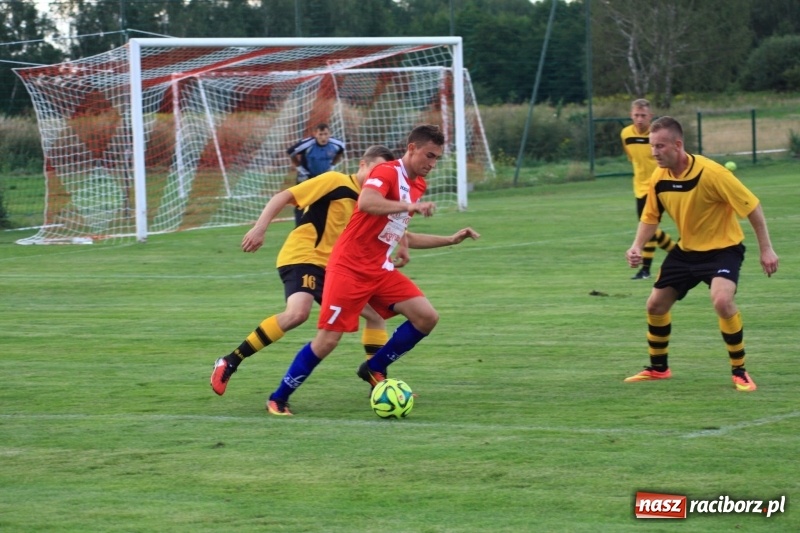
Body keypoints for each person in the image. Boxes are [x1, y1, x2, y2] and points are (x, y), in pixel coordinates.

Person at [265, 124, 480, 416]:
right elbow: (366, 202)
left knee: (426, 317)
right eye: (428, 155)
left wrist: (450, 239)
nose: (431, 163)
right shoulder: (387, 172)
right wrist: (408, 207)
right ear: (412, 148)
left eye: (437, 158)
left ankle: (374, 367)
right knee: (328, 340)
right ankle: (279, 397)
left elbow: (401, 231)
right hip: (349, 267)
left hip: (379, 269)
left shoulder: (418, 184)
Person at [210, 145, 397, 396]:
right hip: (304, 256)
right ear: (362, 165)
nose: (378, 177)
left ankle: (377, 378)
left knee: (375, 315)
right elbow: (283, 196)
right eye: (375, 170)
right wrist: (260, 228)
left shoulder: (371, 202)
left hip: (337, 269)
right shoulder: (335, 181)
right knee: (298, 313)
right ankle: (230, 361)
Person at [624, 116, 779, 392]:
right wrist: (637, 245)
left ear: (678, 144)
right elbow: (650, 218)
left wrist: (766, 249)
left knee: (721, 301)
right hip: (686, 252)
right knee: (655, 305)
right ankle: (659, 369)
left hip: (723, 250)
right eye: (652, 146)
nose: (654, 152)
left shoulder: (713, 174)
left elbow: (752, 207)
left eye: (660, 146)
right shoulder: (658, 178)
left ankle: (740, 371)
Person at [620, 99, 677, 279]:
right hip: (640, 187)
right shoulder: (625, 134)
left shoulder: (658, 136)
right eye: (636, 115)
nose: (639, 119)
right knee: (648, 228)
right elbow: (632, 157)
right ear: (631, 115)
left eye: (643, 115)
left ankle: (645, 269)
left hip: (661, 185)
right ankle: (676, 252)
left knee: (648, 227)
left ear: (650, 116)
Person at [287, 123, 346, 225]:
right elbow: (291, 152)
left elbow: (340, 152)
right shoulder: (308, 144)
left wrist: (332, 165)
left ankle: (322, 223)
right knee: (302, 200)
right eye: (320, 134)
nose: (323, 137)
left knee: (325, 200)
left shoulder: (337, 144)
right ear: (315, 134)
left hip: (324, 177)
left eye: (325, 134)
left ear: (329, 134)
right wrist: (300, 168)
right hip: (306, 176)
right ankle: (299, 224)